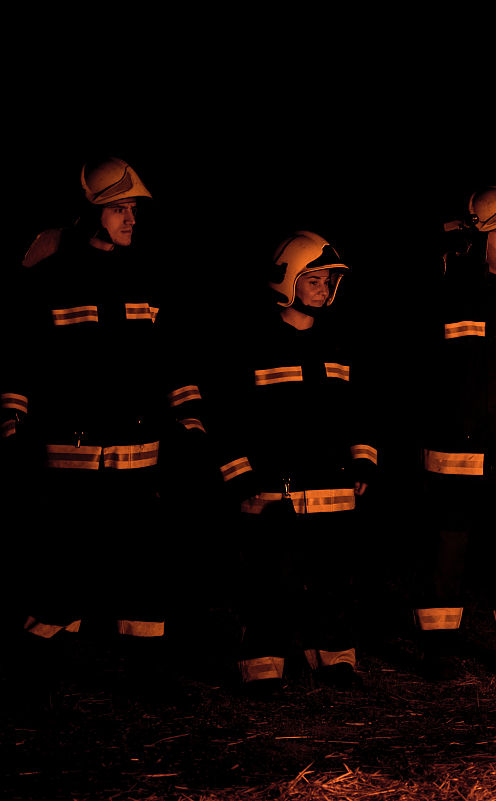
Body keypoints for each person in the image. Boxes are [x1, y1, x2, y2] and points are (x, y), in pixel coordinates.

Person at [1, 157, 206, 701]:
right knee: (65, 571)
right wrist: (12, 413)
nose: (132, 219)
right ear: (90, 215)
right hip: (72, 456)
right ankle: (34, 673)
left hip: (139, 457)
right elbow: (22, 356)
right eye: (120, 209)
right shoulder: (52, 277)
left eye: (134, 210)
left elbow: (172, 357)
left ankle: (147, 676)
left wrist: (188, 415)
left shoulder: (149, 276)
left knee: (144, 570)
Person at [208, 231, 378, 696]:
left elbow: (361, 411)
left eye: (329, 281)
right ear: (288, 281)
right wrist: (238, 474)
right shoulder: (251, 343)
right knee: (270, 582)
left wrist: (363, 462)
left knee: (335, 582)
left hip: (332, 490)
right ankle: (263, 666)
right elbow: (225, 415)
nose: (325, 289)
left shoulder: (341, 344)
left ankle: (336, 661)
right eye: (315, 279)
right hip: (271, 492)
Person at [413, 185, 496, 682]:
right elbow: (427, 376)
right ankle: (439, 648)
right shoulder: (442, 294)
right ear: (477, 239)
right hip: (457, 453)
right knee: (446, 552)